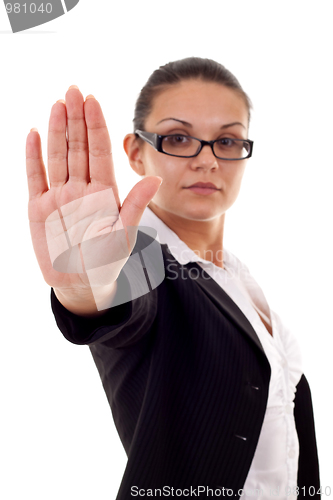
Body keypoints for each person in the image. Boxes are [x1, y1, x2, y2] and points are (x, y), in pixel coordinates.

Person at [26, 57, 320, 499]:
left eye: (227, 140)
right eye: (179, 138)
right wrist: (87, 288)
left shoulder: (240, 278)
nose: (206, 160)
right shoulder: (143, 258)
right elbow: (123, 302)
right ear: (135, 152)